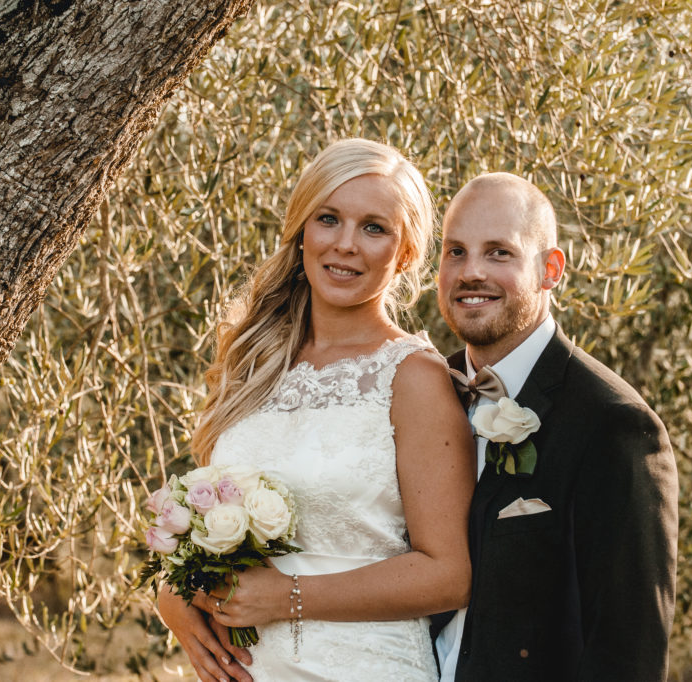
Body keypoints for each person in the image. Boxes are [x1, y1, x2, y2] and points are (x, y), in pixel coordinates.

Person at [156, 138, 476, 682]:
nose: (346, 244)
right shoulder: (252, 361)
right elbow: (207, 521)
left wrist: (290, 597)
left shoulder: (414, 379)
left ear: (404, 253)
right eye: (329, 219)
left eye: (374, 228)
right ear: (303, 230)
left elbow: (448, 576)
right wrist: (173, 591)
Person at [431, 172, 679, 681]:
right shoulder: (425, 396)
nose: (470, 271)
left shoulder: (614, 424)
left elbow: (626, 652)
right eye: (456, 251)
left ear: (551, 269)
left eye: (499, 252)